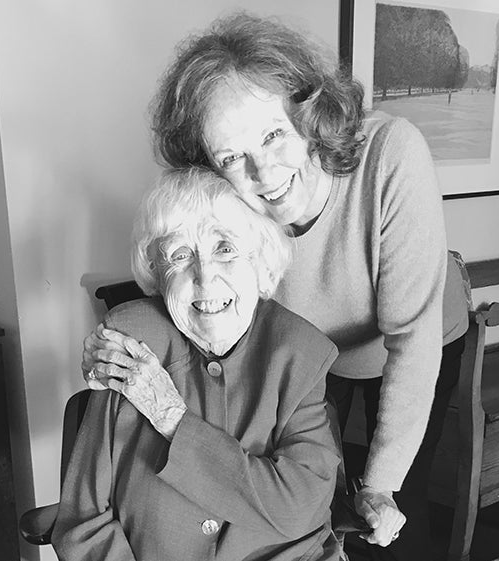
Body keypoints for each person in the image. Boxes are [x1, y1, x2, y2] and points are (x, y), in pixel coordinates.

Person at [82, 13, 469, 559]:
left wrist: (380, 485)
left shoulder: (390, 155)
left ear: (308, 115)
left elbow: (413, 338)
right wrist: (111, 338)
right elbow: (184, 272)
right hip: (312, 355)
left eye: (272, 135)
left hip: (417, 339)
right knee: (313, 506)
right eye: (232, 157)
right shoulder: (229, 199)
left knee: (395, 513)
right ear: (209, 166)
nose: (263, 173)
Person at [53, 168, 342, 561]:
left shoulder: (298, 352)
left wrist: (172, 419)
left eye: (225, 249)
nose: (205, 278)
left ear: (262, 263)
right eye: (181, 255)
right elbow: (84, 522)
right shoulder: (132, 341)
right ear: (156, 272)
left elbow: (300, 507)